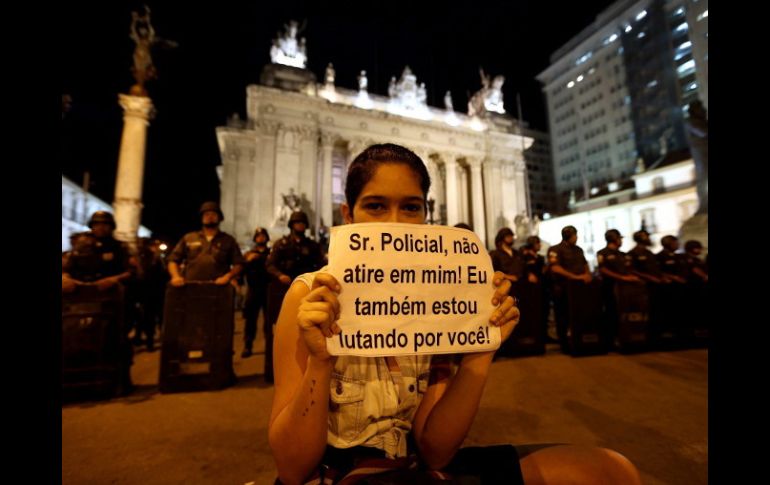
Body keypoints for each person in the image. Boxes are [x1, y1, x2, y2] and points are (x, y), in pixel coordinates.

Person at [268, 143, 641, 484]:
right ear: (348, 215)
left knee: (611, 471)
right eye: (376, 205)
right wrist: (320, 362)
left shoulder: (442, 299)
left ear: (428, 217)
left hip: (413, 466)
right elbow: (291, 467)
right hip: (338, 472)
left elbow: (436, 450)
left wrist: (481, 351)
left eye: (411, 207)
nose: (394, 223)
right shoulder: (310, 295)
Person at [265, 210, 325, 383]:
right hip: (281, 293)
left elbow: (321, 265)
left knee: (306, 333)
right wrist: (279, 275)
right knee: (277, 334)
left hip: (307, 294)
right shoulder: (281, 244)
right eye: (297, 223)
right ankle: (272, 373)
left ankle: (303, 373)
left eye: (302, 223)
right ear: (291, 225)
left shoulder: (313, 246)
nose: (300, 225)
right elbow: (270, 265)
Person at [167, 201, 244, 287]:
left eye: (213, 214)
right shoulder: (189, 238)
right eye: (206, 214)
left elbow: (239, 264)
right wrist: (175, 276)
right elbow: (173, 260)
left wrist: (228, 277)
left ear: (219, 218)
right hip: (190, 287)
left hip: (219, 289)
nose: (210, 217)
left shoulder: (228, 240)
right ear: (201, 218)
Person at [546, 225, 592, 353]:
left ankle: (578, 340)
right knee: (562, 317)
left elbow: (585, 264)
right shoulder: (555, 249)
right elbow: (555, 268)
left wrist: (587, 275)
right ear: (568, 236)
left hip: (579, 290)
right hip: (562, 289)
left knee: (579, 315)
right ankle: (564, 345)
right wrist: (575, 277)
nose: (576, 237)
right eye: (575, 235)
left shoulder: (578, 250)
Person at [596, 230, 641, 347]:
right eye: (619, 238)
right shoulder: (603, 253)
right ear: (614, 239)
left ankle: (625, 337)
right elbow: (603, 269)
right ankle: (610, 340)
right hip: (610, 288)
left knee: (625, 314)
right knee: (611, 313)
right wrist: (622, 278)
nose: (621, 241)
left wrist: (631, 276)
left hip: (626, 290)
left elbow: (629, 269)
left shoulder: (623, 254)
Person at [241, 227, 271, 358]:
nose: (261, 238)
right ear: (255, 238)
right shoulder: (248, 254)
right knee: (250, 321)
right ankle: (248, 346)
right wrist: (248, 261)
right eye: (258, 236)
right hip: (253, 290)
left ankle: (270, 346)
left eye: (263, 236)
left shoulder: (271, 253)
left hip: (268, 290)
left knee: (269, 321)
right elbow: (241, 270)